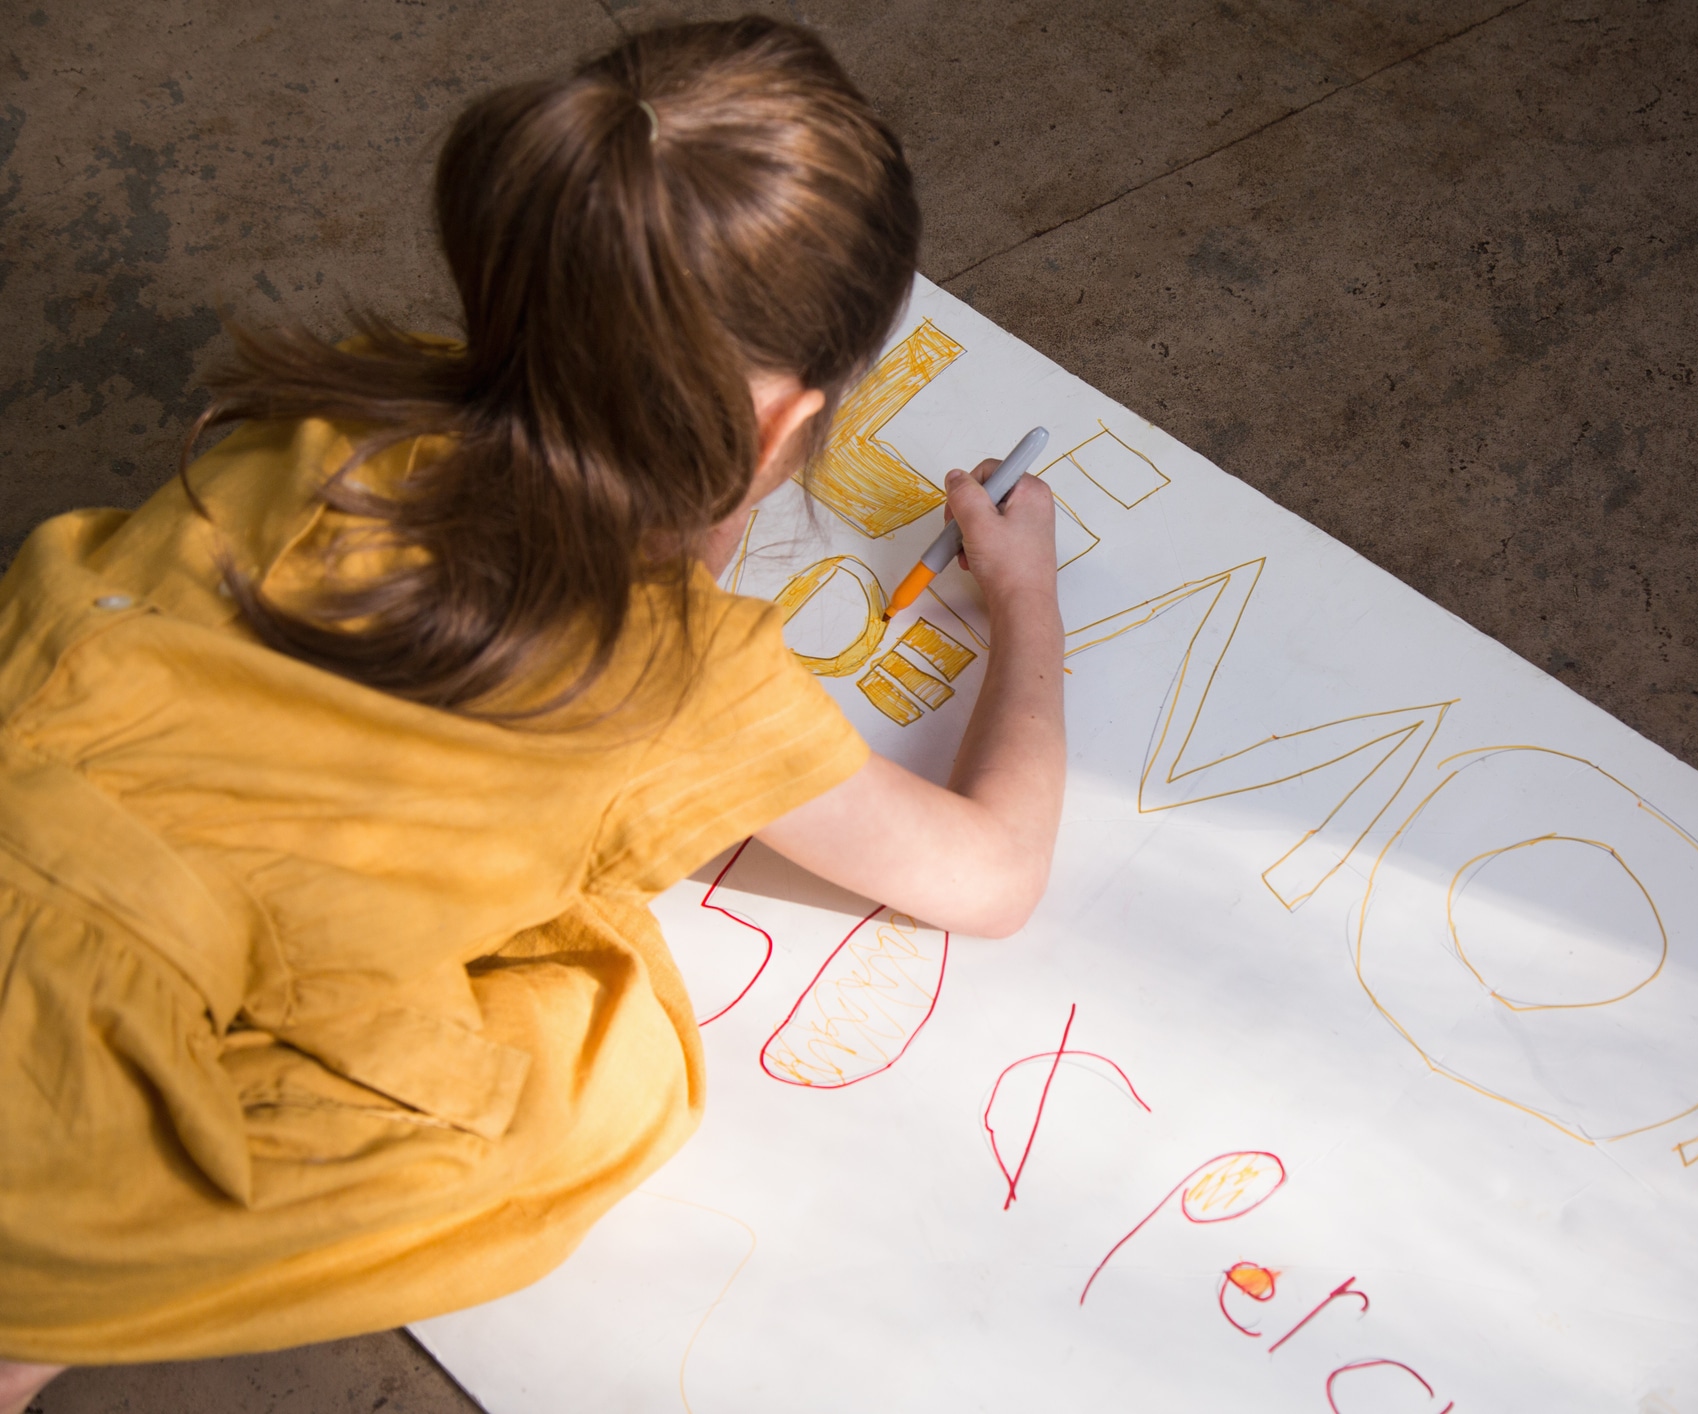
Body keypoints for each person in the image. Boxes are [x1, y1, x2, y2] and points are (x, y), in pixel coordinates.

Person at [0, 18, 1062, 1411]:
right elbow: (987, 875)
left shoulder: (307, 431)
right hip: (50, 1171)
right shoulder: (677, 677)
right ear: (780, 428)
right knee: (617, 1066)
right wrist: (1025, 603)